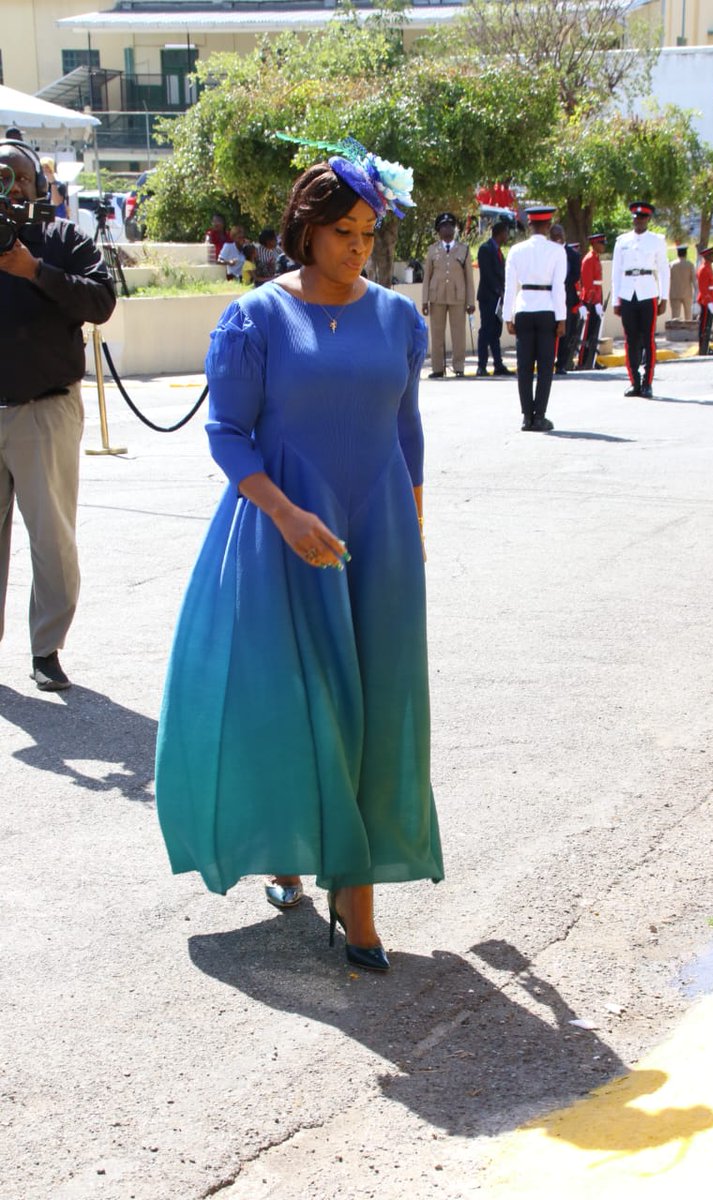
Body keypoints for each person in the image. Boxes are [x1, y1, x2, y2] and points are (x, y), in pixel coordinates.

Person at [155, 144, 443, 973]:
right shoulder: (258, 316)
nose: (359, 248)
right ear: (306, 229)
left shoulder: (398, 317)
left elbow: (407, 430)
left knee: (378, 702)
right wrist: (283, 513)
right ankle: (289, 850)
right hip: (283, 528)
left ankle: (357, 896)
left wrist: (414, 524)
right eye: (344, 232)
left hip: (381, 534)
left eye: (368, 232)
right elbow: (226, 432)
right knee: (297, 698)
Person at [0, 140, 116, 690]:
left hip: (44, 410)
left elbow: (101, 301)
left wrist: (34, 271)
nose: (12, 187)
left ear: (41, 185)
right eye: (2, 178)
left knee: (51, 539)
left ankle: (46, 650)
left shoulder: (63, 240)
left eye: (21, 177)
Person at [502, 204, 566, 432]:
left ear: (529, 225)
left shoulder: (516, 250)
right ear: (548, 226)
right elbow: (559, 288)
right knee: (546, 366)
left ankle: (526, 416)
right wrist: (562, 318)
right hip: (547, 309)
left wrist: (507, 316)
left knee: (524, 365)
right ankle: (540, 415)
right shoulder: (558, 251)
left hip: (524, 309)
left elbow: (510, 287)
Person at [611, 201, 669, 399]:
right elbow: (616, 272)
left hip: (647, 291)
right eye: (636, 217)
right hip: (628, 292)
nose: (639, 221)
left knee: (648, 338)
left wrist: (664, 297)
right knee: (630, 339)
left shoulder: (657, 240)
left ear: (648, 219)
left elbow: (663, 270)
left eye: (643, 217)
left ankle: (647, 382)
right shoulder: (622, 241)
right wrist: (616, 301)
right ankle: (634, 381)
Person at [421, 213, 475, 378]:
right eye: (443, 226)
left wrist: (470, 302)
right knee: (437, 334)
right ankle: (438, 368)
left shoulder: (463, 250)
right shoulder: (432, 250)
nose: (447, 229)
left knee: (458, 334)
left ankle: (459, 367)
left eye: (450, 226)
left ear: (454, 228)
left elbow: (469, 278)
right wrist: (424, 301)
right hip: (437, 297)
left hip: (458, 297)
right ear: (438, 230)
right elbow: (426, 277)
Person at [476, 220, 512, 377]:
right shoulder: (485, 249)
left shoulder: (498, 251)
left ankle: (498, 364)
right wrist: (498, 291)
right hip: (488, 297)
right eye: (506, 233)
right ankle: (481, 365)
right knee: (486, 331)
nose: (507, 236)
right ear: (500, 233)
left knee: (496, 331)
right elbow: (487, 274)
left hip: (498, 298)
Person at [550, 226, 581, 375]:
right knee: (549, 331)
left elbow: (575, 275)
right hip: (548, 297)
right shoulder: (547, 252)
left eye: (559, 234)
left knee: (565, 331)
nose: (557, 237)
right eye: (554, 235)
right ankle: (547, 361)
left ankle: (561, 364)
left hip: (566, 296)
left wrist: (560, 283)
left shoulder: (573, 254)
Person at [577, 232, 606, 370]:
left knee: (595, 332)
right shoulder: (589, 259)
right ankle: (583, 360)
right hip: (591, 301)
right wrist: (594, 302)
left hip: (597, 299)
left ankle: (592, 359)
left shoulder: (595, 258)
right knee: (588, 333)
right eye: (601, 243)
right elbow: (588, 284)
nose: (603, 246)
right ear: (594, 244)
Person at [696, 245, 713, 356]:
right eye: (712, 255)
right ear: (707, 256)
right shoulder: (704, 269)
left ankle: (706, 346)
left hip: (710, 300)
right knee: (704, 325)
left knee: (708, 325)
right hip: (706, 301)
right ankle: (703, 348)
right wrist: (709, 302)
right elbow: (703, 288)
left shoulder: (708, 267)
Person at [669, 245, 696, 320]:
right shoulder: (690, 265)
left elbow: (668, 278)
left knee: (675, 316)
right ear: (686, 253)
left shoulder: (672, 265)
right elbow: (694, 280)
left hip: (674, 293)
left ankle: (675, 331)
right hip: (687, 293)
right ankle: (688, 331)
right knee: (688, 315)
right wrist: (697, 291)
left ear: (678, 253)